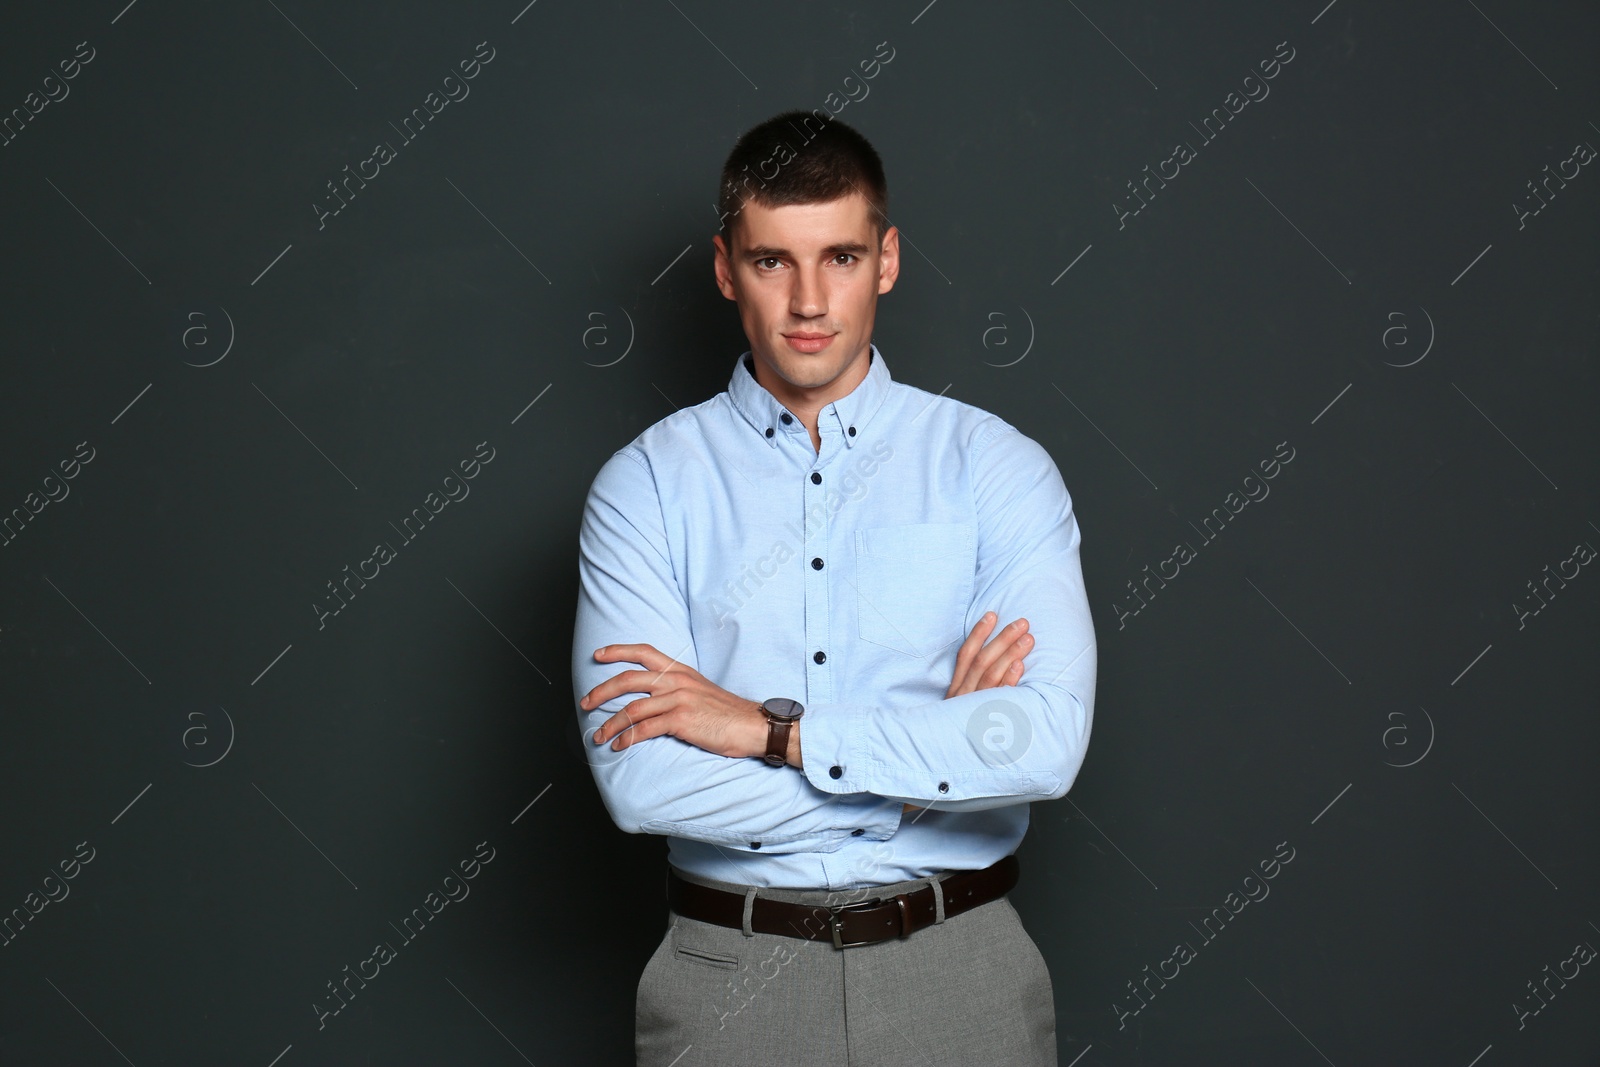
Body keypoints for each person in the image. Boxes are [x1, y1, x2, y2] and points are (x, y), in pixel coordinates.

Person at [571, 109, 1097, 1066]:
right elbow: (641, 782)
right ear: (728, 268)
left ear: (886, 260)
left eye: (841, 258)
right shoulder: (645, 484)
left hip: (960, 971)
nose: (809, 300)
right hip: (727, 979)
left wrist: (772, 734)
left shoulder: (997, 469)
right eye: (774, 261)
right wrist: (921, 778)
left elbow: (1043, 744)